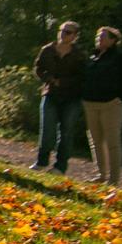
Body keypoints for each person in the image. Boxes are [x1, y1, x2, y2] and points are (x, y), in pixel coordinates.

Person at [30, 21, 84, 174]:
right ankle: (41, 162)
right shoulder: (47, 50)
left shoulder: (79, 55)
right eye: (62, 30)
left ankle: (60, 166)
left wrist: (64, 82)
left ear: (74, 36)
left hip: (71, 97)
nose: (63, 34)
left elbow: (82, 76)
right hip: (50, 94)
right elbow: (38, 68)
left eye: (68, 32)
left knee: (66, 132)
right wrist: (48, 78)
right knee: (47, 129)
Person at [82, 26, 122, 185]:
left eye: (103, 36)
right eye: (98, 36)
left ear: (113, 40)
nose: (99, 39)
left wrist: (121, 97)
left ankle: (114, 179)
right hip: (91, 103)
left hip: (111, 104)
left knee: (112, 142)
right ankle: (101, 174)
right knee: (96, 141)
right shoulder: (93, 57)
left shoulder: (120, 57)